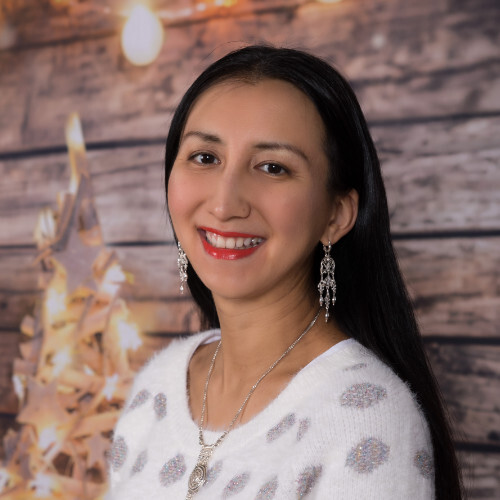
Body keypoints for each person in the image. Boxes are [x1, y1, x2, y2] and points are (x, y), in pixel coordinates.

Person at [107, 45, 464, 499]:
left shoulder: (365, 419)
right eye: (205, 157)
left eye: (272, 167)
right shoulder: (158, 384)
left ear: (336, 214)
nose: (224, 203)